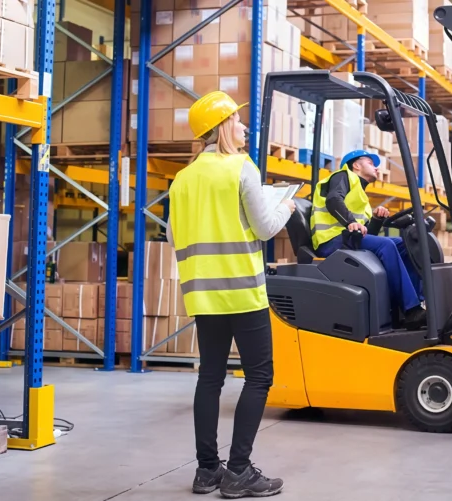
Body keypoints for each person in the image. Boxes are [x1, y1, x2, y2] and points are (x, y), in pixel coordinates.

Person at [166, 91, 294, 498]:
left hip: (203, 295)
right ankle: (238, 470)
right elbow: (264, 227)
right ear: (222, 128)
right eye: (237, 121)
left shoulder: (182, 180)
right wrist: (288, 208)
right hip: (242, 291)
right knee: (259, 377)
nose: (243, 126)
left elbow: (172, 234)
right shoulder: (241, 168)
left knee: (210, 379)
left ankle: (207, 471)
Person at [310, 149, 426, 329]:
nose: (377, 168)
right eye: (371, 163)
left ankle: (417, 302)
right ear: (356, 165)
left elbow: (366, 234)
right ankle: (411, 310)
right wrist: (350, 222)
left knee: (405, 244)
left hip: (347, 239)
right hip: (331, 241)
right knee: (387, 245)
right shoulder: (342, 177)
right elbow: (333, 200)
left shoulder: (360, 194)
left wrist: (377, 220)